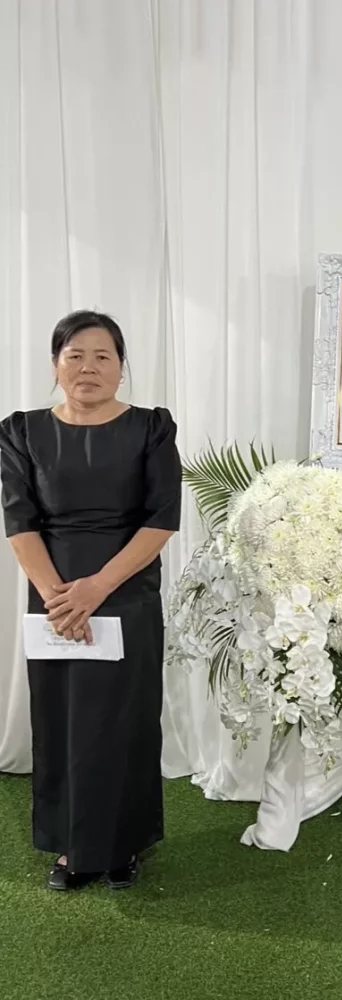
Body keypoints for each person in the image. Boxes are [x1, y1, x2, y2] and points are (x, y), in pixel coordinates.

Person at [0, 310, 182, 892]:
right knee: (62, 720)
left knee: (123, 721)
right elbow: (20, 521)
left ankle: (123, 843)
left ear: (121, 368)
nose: (88, 367)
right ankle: (73, 846)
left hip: (126, 591)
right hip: (53, 595)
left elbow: (162, 518)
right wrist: (58, 598)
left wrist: (97, 588)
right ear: (56, 365)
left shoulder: (151, 428)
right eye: (75, 355)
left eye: (103, 356)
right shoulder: (20, 432)